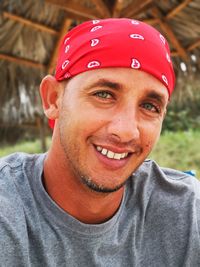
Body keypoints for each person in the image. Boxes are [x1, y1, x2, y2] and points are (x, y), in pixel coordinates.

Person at [0, 18, 199, 267]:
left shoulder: (187, 212)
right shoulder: (8, 209)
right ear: (53, 99)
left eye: (150, 106)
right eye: (103, 94)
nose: (126, 132)